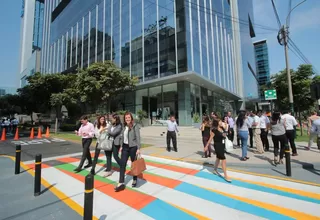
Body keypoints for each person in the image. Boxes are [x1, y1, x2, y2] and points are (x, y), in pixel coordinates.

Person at [115, 112, 141, 192]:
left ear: (131, 118)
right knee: (122, 164)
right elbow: (122, 136)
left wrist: (138, 148)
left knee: (134, 164)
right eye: (126, 118)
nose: (127, 119)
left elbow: (138, 137)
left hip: (133, 147)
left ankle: (135, 179)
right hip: (125, 148)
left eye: (129, 118)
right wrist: (121, 146)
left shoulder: (135, 126)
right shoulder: (123, 126)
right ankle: (121, 182)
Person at [204, 118, 231, 182]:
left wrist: (226, 128)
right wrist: (206, 146)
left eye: (221, 121)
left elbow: (224, 135)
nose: (221, 122)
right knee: (223, 159)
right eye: (220, 121)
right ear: (217, 123)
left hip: (222, 145)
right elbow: (210, 139)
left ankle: (215, 170)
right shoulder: (214, 130)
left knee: (218, 158)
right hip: (217, 145)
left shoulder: (222, 128)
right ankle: (226, 176)